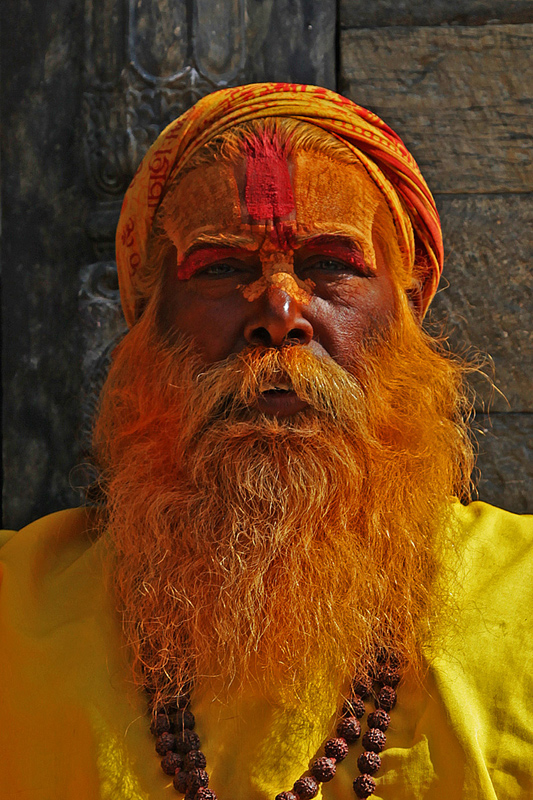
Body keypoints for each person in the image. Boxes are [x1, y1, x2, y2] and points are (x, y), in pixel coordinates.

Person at [0, 83, 531, 800]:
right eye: (220, 268)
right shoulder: (18, 613)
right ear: (146, 323)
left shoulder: (521, 600)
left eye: (330, 265)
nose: (280, 314)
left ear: (408, 311)